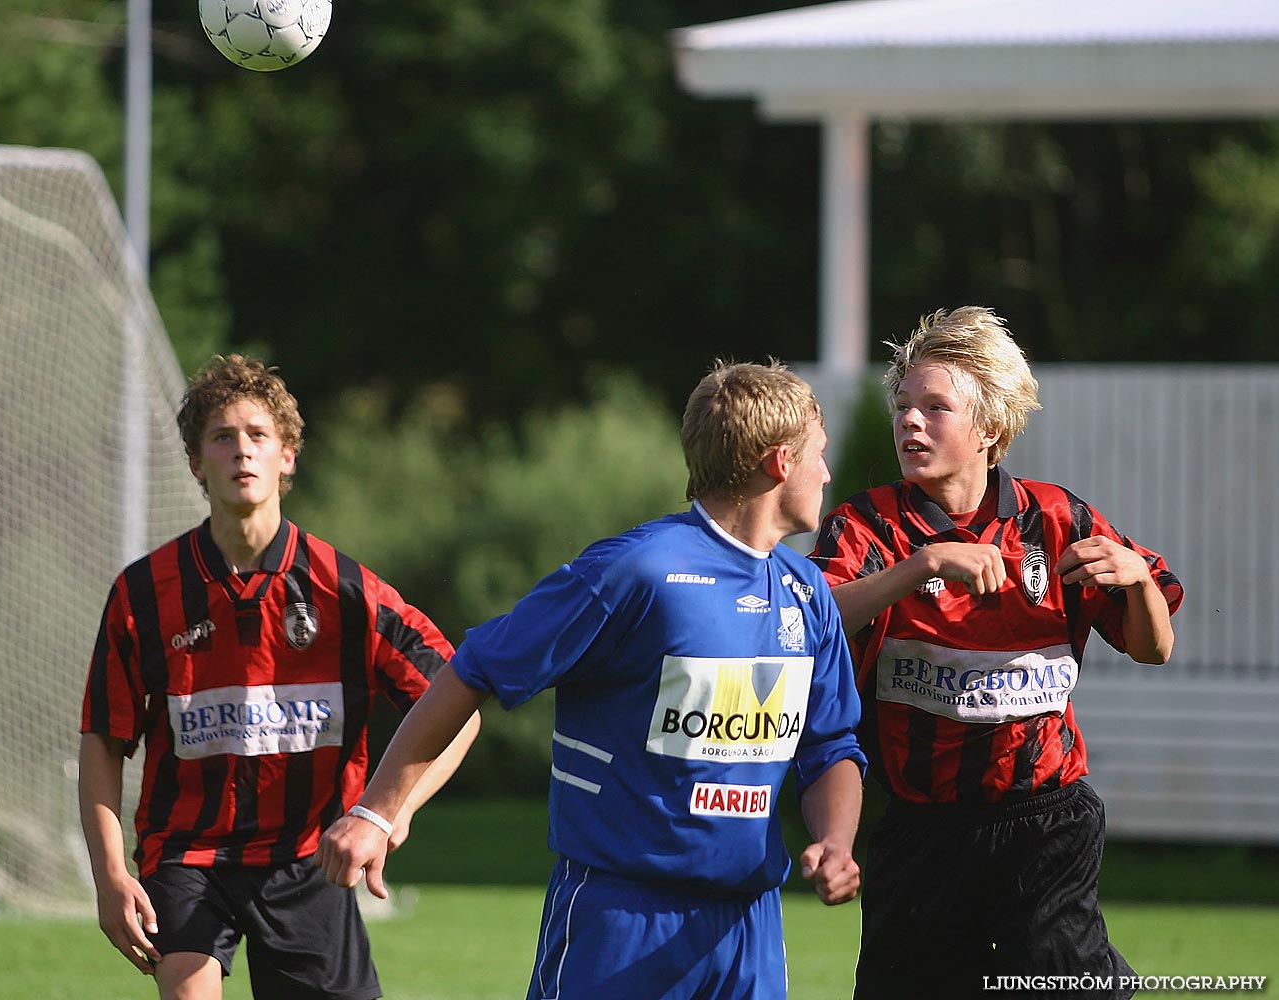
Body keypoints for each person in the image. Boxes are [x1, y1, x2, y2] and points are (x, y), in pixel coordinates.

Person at [315, 359, 867, 1000]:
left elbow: (831, 746)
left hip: (749, 929)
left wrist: (836, 841)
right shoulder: (637, 571)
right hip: (620, 916)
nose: (826, 473)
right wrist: (378, 812)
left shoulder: (807, 594)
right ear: (779, 462)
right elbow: (473, 671)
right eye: (818, 455)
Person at [78, 354, 480, 1000]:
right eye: (221, 437)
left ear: (287, 457)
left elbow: (459, 698)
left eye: (258, 436)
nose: (242, 451)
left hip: (308, 857)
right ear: (195, 462)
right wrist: (107, 874)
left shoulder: (344, 591)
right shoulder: (143, 596)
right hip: (188, 855)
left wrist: (388, 811)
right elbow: (102, 737)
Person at [810, 307, 1184, 1000]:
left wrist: (1136, 580)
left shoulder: (1056, 519)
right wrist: (920, 566)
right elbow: (812, 622)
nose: (909, 422)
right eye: (902, 406)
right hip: (925, 829)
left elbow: (1152, 648)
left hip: (1044, 821)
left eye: (935, 407)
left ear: (991, 429)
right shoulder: (867, 525)